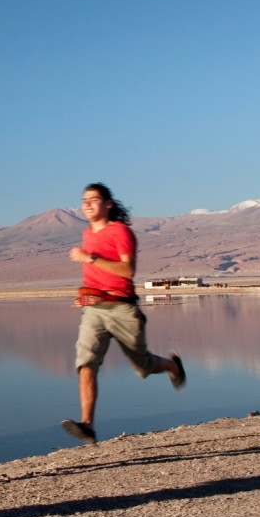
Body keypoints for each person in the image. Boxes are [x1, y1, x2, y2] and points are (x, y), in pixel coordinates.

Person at [63, 182, 186, 445]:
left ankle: (172, 365)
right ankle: (87, 425)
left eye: (93, 200)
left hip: (123, 309)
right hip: (95, 309)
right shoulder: (87, 234)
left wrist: (90, 259)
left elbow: (128, 271)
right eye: (84, 200)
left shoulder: (120, 232)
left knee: (143, 367)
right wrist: (86, 292)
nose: (87, 204)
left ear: (108, 204)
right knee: (86, 363)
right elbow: (96, 274)